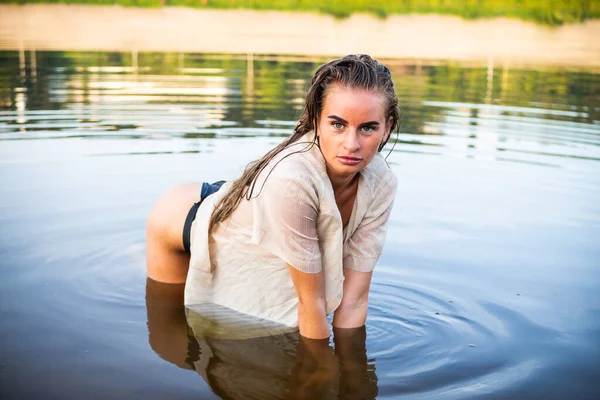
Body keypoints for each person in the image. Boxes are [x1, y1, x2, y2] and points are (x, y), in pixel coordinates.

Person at [146, 54, 399, 340]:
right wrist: (325, 377)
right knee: (177, 329)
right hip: (183, 220)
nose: (351, 144)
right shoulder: (292, 180)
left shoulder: (381, 182)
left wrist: (353, 376)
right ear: (317, 119)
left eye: (368, 128)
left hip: (248, 206)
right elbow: (311, 305)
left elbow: (354, 301)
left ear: (387, 127)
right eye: (337, 124)